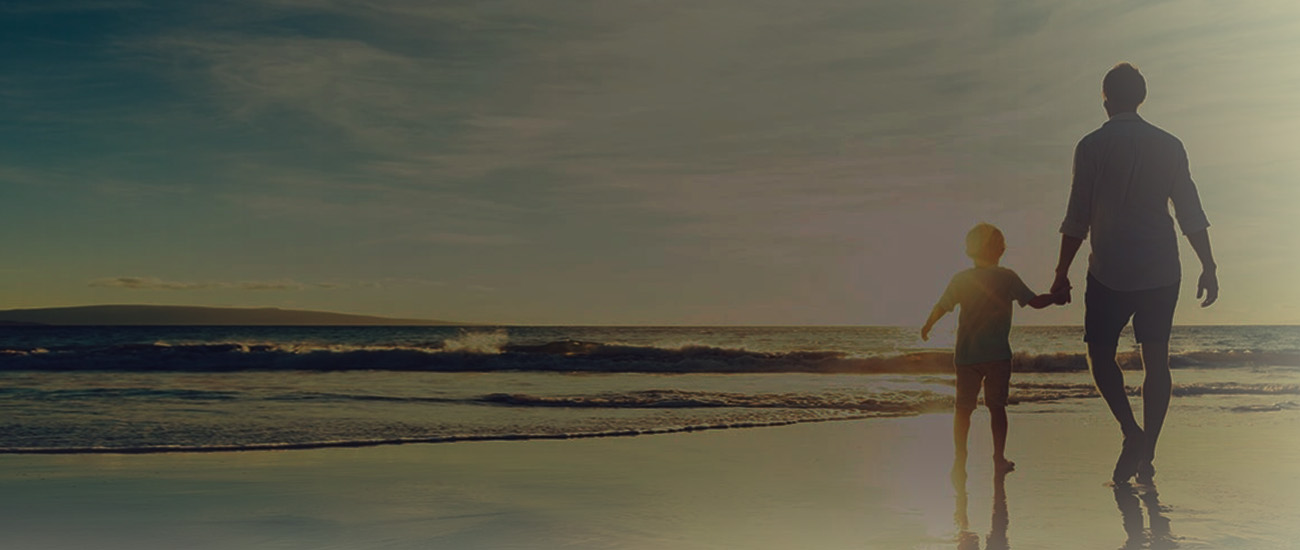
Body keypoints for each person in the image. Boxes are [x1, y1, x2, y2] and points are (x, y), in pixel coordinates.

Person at [1051, 62, 1218, 485]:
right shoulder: (1169, 144)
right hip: (1161, 267)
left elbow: (1077, 216)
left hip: (1108, 268)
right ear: (1141, 97)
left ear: (1105, 97)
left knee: (1099, 354)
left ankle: (1131, 433)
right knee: (1156, 360)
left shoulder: (1090, 146)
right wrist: (1209, 265)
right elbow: (1190, 211)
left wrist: (1061, 273)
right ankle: (1148, 454)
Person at [923, 223, 1062, 480]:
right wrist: (1055, 297)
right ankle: (998, 459)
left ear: (969, 250)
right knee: (997, 408)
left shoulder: (961, 279)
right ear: (1001, 250)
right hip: (998, 355)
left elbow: (942, 306)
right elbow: (1034, 302)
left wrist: (928, 325)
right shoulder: (1007, 277)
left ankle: (959, 461)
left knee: (962, 409)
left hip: (966, 356)